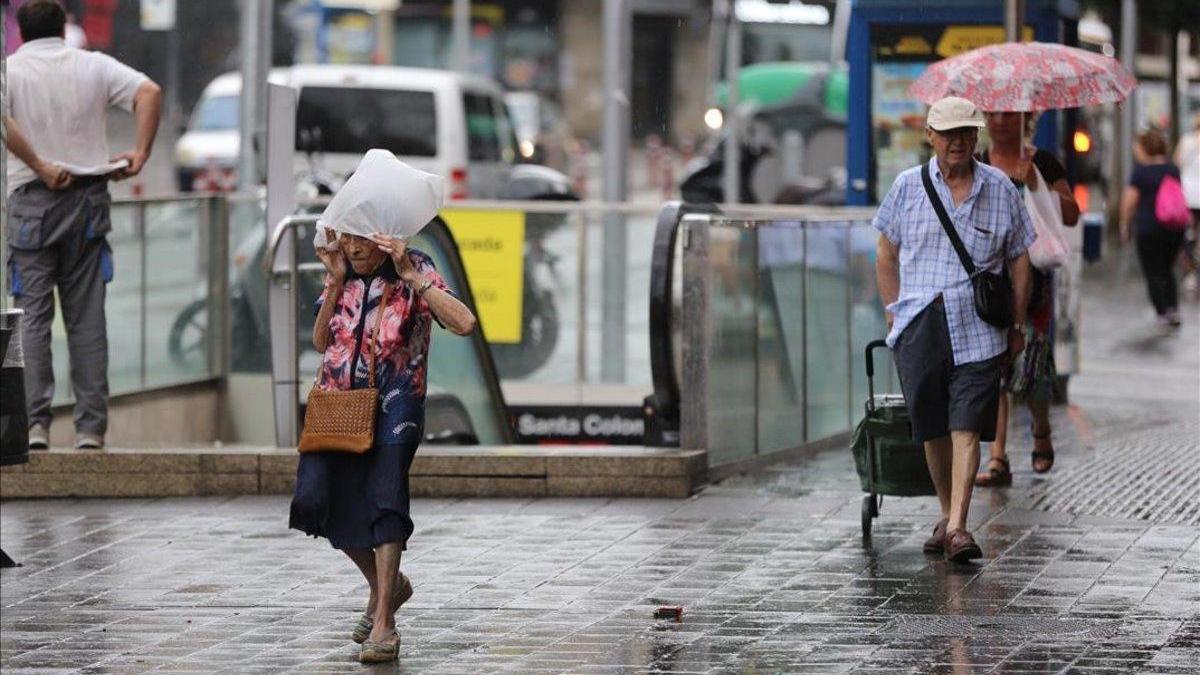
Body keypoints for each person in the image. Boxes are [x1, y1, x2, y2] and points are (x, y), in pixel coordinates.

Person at [291, 226, 476, 663]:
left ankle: (384, 625)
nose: (352, 246)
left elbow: (464, 323)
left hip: (397, 399)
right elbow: (322, 342)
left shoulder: (415, 267)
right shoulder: (343, 274)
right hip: (339, 403)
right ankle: (386, 587)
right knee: (313, 500)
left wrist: (414, 279)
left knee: (386, 497)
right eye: (346, 237)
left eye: (361, 238)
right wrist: (335, 282)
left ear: (385, 237)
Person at [874, 97, 1034, 563]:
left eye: (966, 132)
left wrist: (1018, 320)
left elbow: (1021, 256)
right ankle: (947, 514)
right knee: (933, 428)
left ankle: (960, 526)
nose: (958, 142)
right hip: (920, 323)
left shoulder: (1000, 188)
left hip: (980, 328)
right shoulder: (907, 187)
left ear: (976, 136)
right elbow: (884, 253)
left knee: (966, 424)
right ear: (930, 136)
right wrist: (893, 315)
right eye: (948, 134)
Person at [4, 0, 162, 450]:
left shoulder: (10, 72)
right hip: (88, 202)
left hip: (31, 203)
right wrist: (141, 153)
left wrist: (39, 163)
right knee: (88, 317)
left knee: (32, 318)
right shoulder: (92, 66)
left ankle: (35, 426)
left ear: (22, 28)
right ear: (63, 26)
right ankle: (90, 429)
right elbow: (148, 92)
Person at [974, 112, 1080, 487]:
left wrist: (1035, 182)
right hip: (988, 280)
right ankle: (998, 457)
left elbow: (1070, 214)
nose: (1002, 121)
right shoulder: (978, 162)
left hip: (1032, 281)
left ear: (1026, 119)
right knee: (994, 367)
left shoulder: (1042, 162)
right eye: (995, 114)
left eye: (1010, 114)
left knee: (1031, 363)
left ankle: (1040, 427)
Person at [1121, 129, 1186, 329]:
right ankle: (1173, 309)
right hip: (1174, 227)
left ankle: (1162, 313)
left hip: (1149, 228)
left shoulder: (1140, 172)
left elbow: (1129, 202)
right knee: (1167, 269)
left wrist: (1124, 225)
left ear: (1145, 148)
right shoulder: (1172, 169)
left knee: (1153, 271)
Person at [1173, 114, 1200, 296]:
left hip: (1187, 196)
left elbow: (1176, 163)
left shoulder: (1186, 140)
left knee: (1188, 234)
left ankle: (1190, 271)